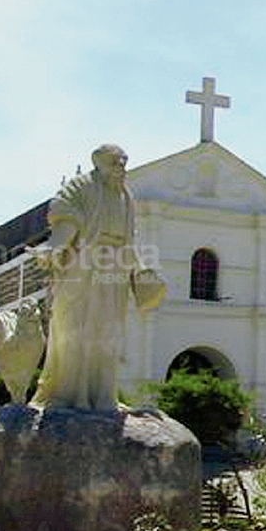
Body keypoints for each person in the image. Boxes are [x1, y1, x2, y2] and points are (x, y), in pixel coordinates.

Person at [31, 144, 165, 411]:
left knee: (108, 332)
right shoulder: (79, 188)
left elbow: (129, 239)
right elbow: (65, 217)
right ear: (100, 164)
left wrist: (139, 271)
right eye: (115, 163)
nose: (121, 169)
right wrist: (54, 247)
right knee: (74, 329)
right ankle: (65, 394)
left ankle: (103, 396)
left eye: (124, 163)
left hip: (114, 269)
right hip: (82, 266)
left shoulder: (126, 195)